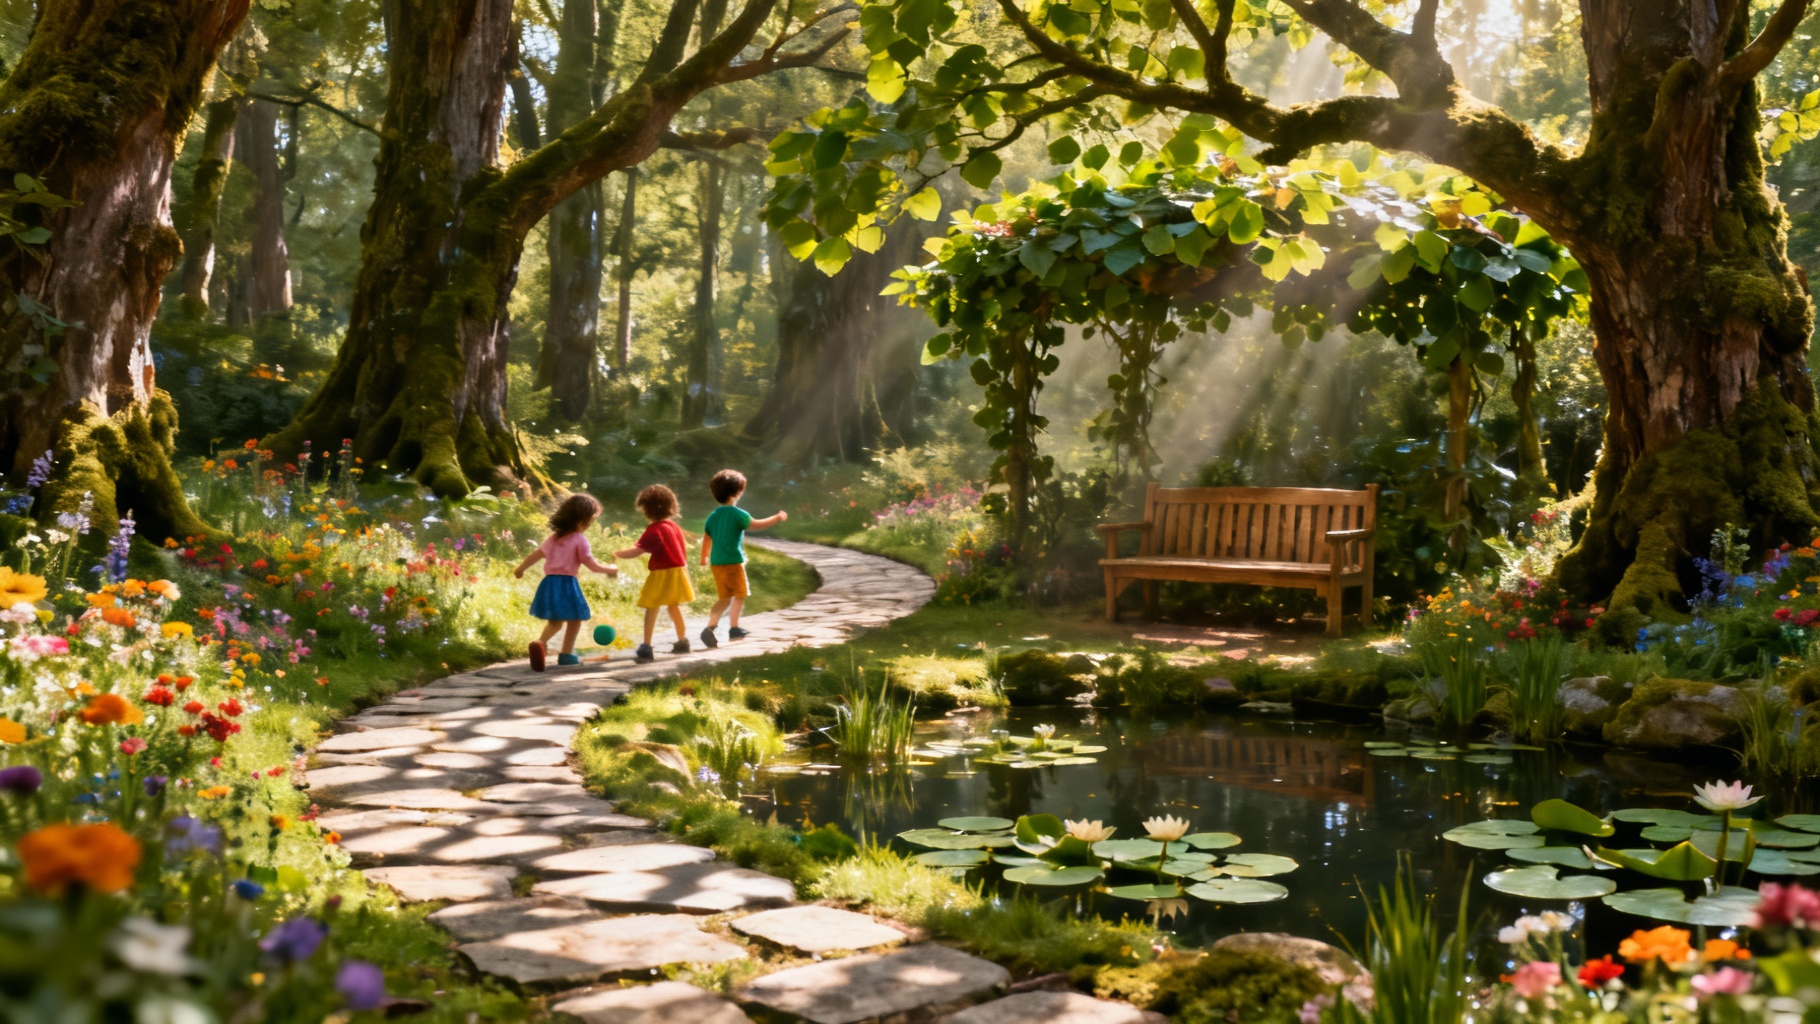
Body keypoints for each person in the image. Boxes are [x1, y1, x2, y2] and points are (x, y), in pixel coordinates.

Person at [514, 493, 617, 671]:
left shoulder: (554, 538)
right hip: (567, 584)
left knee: (555, 621)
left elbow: (536, 555)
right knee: (575, 619)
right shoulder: (579, 540)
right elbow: (592, 565)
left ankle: (540, 644)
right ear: (580, 521)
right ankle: (566, 654)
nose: (590, 525)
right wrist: (610, 569)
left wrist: (521, 568)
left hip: (549, 584)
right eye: (590, 521)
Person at [699, 469, 787, 648]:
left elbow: (707, 537)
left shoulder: (713, 516)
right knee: (740, 594)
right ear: (737, 492)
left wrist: (704, 558)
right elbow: (757, 525)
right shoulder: (738, 514)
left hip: (717, 564)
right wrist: (776, 518)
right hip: (733, 562)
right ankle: (734, 628)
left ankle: (710, 627)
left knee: (724, 597)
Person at [616, 484, 694, 662]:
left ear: (647, 509)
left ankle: (646, 646)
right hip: (678, 571)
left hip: (661, 573)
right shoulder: (674, 527)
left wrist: (617, 554)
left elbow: (637, 551)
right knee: (674, 606)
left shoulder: (654, 530)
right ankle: (683, 641)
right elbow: (682, 551)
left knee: (652, 606)